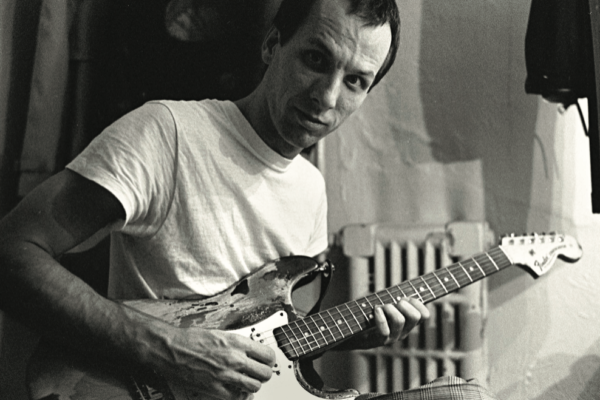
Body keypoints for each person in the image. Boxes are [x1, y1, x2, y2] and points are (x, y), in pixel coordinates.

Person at [0, 0, 494, 399]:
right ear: (272, 44)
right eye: (316, 59)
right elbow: (11, 253)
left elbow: (277, 346)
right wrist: (169, 349)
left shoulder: (311, 189)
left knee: (466, 397)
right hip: (143, 384)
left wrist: (355, 331)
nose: (326, 98)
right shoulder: (168, 132)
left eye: (355, 81)